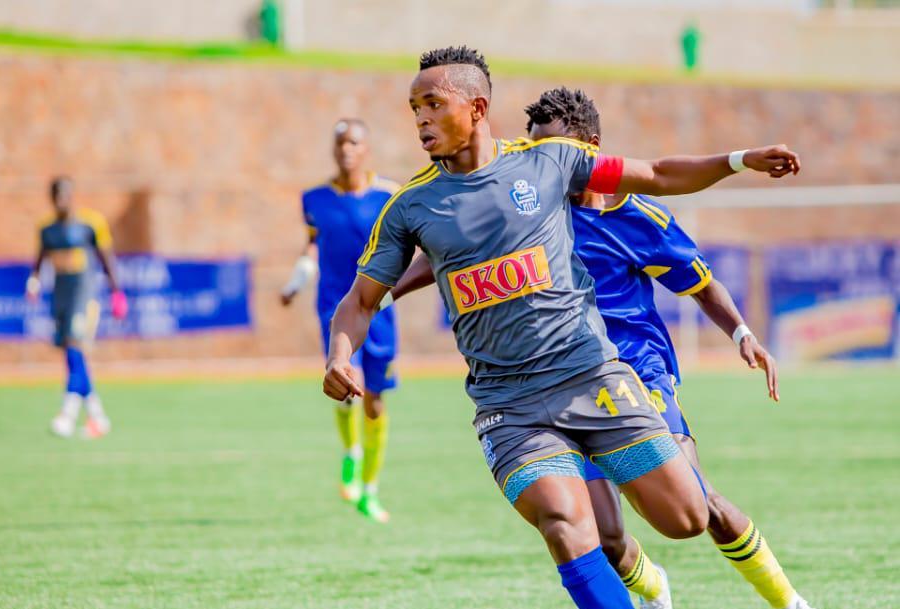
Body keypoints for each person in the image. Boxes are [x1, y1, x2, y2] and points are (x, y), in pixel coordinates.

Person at [322, 46, 800, 609]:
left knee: (688, 517)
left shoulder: (550, 161)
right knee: (567, 525)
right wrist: (339, 355)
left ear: (477, 108)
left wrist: (740, 160)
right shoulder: (410, 206)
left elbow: (657, 174)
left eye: (432, 104)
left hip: (594, 377)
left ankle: (686, 579)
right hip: (510, 406)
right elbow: (358, 301)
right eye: (414, 109)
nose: (420, 119)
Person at [281, 119, 400, 523]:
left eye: (353, 143)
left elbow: (404, 248)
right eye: (340, 143)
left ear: (366, 148)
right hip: (336, 308)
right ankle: (351, 451)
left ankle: (370, 489)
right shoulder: (314, 199)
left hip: (380, 310)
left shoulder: (388, 195)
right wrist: (296, 281)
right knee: (350, 385)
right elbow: (312, 245)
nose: (346, 150)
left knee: (376, 402)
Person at [27, 176, 128, 439]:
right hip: (61, 293)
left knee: (74, 348)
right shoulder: (47, 228)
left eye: (66, 194)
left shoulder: (90, 223)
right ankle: (97, 416)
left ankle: (67, 414)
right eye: (57, 195)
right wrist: (34, 281)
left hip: (84, 295)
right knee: (73, 355)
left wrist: (116, 292)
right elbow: (40, 258)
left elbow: (106, 258)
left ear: (72, 196)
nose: (62, 200)